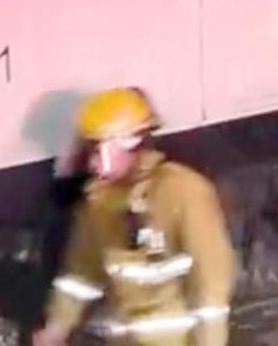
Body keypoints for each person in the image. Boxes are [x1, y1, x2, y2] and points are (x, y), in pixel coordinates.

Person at [34, 88, 237, 346]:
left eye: (97, 149)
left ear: (126, 142)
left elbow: (211, 289)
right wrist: (55, 330)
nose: (91, 162)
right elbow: (81, 274)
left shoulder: (183, 192)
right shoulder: (99, 203)